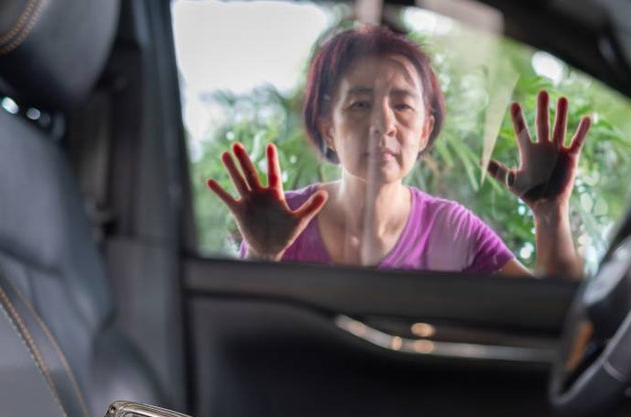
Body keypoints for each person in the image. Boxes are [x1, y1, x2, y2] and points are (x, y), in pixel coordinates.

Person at [206, 25, 591, 278]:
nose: (383, 124)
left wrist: (550, 212)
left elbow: (547, 313)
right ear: (328, 127)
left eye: (403, 105)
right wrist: (261, 257)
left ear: (425, 130)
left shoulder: (451, 230)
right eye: (360, 104)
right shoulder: (281, 223)